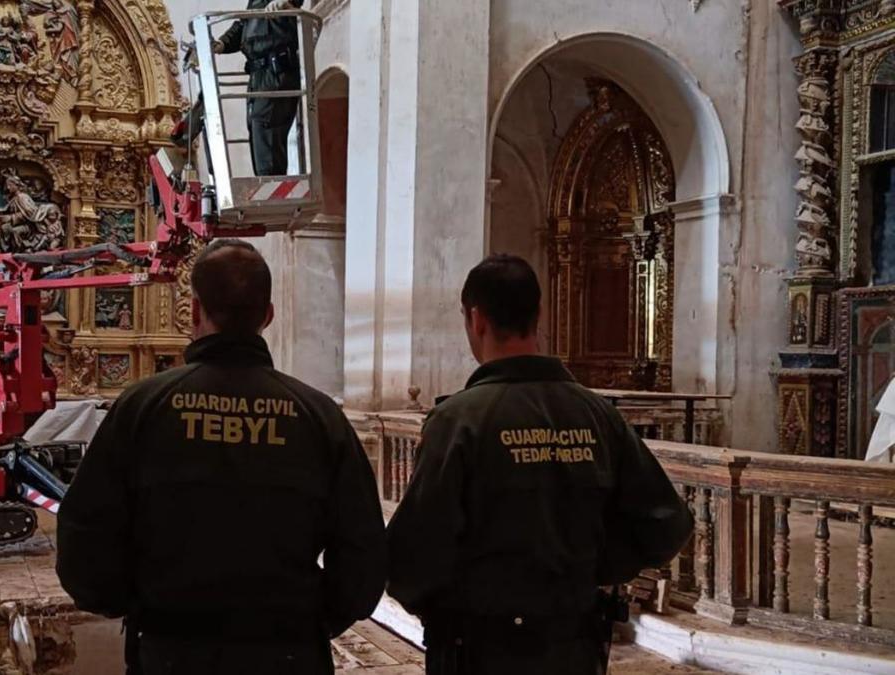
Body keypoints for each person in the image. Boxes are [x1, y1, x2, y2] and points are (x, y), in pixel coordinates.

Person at [57, 239, 386, 675]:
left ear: (193, 311)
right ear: (268, 316)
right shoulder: (317, 414)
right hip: (287, 652)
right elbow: (364, 549)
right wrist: (316, 618)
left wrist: (128, 603)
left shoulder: (143, 407)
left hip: (172, 650)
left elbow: (85, 532)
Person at [386, 254, 695, 675]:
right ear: (539, 315)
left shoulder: (459, 421)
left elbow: (414, 553)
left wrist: (442, 603)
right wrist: (594, 570)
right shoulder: (597, 415)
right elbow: (667, 525)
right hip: (574, 643)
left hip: (479, 646)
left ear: (476, 320)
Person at [172, 0, 305, 176]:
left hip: (276, 71)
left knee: (266, 128)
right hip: (258, 74)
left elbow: (295, 15)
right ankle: (266, 184)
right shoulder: (256, 2)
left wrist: (287, 6)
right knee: (257, 130)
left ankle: (271, 187)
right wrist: (222, 44)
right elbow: (244, 24)